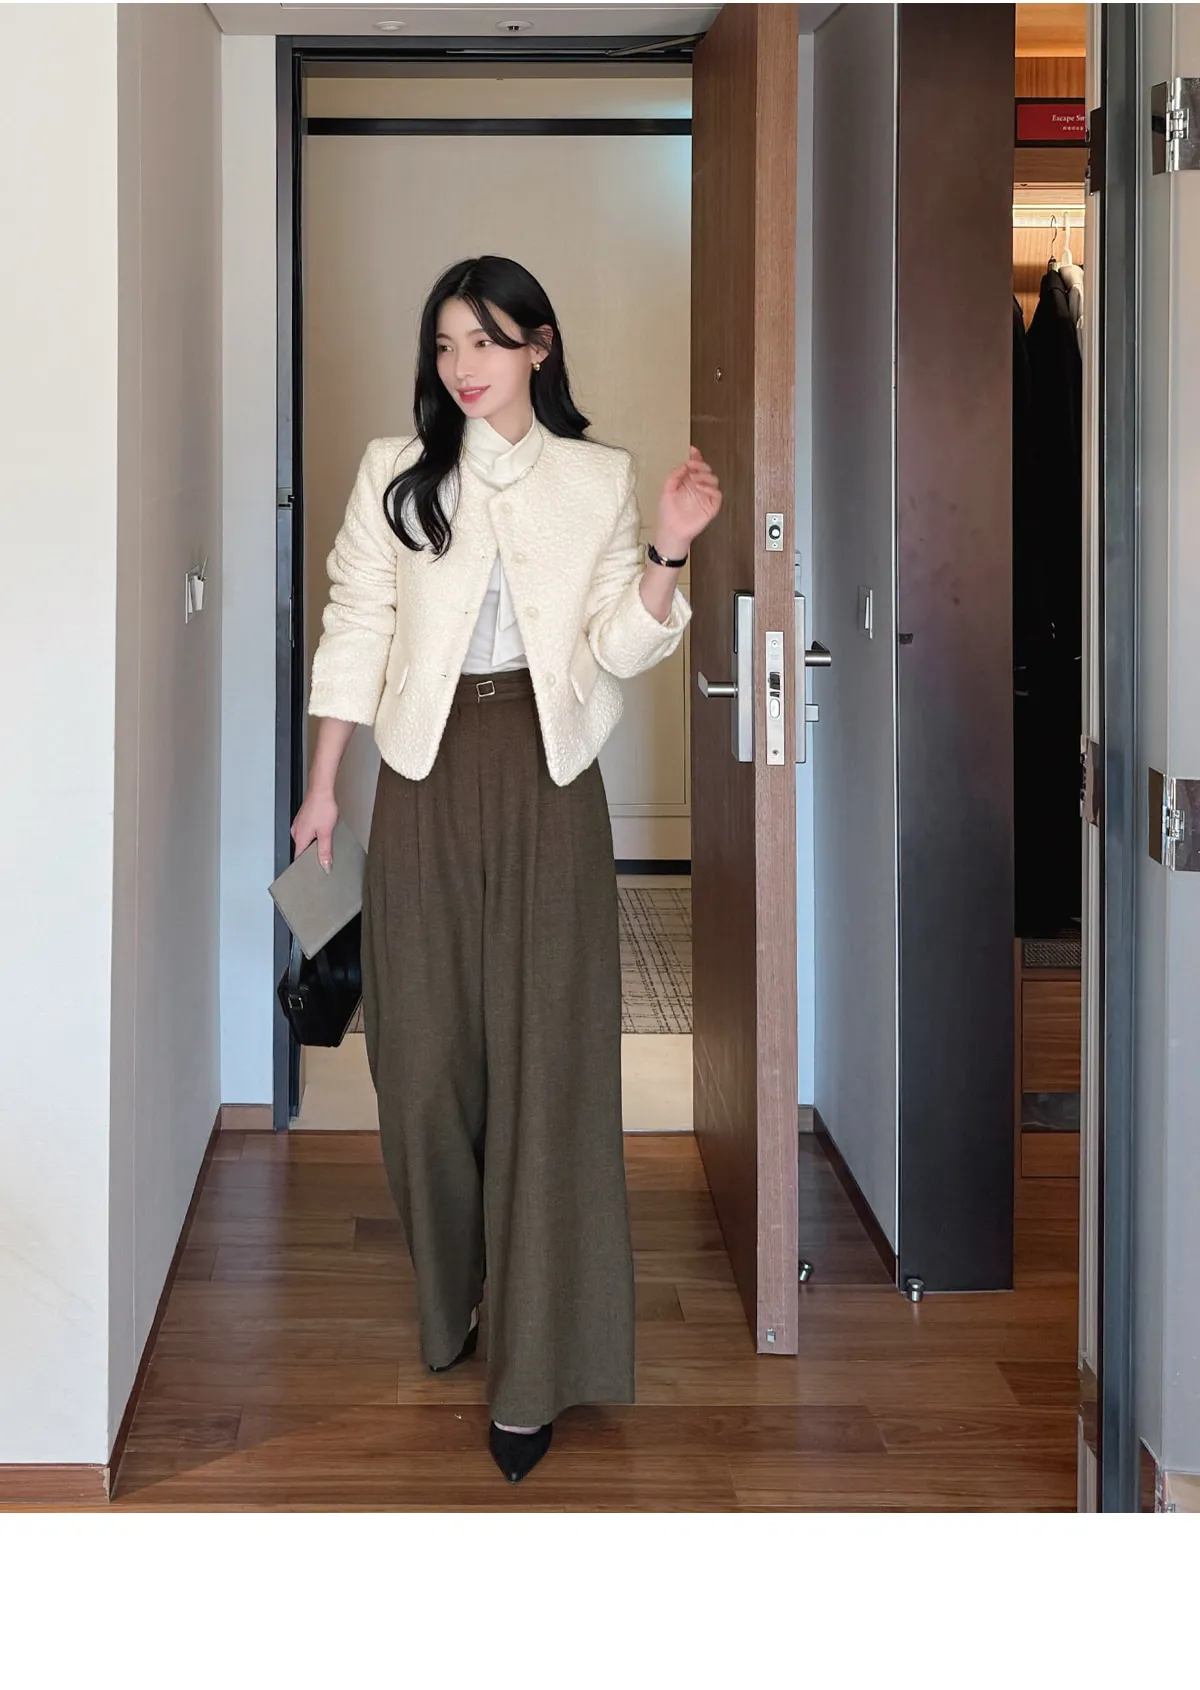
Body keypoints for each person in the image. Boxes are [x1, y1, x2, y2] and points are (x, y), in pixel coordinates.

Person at [292, 254, 722, 1483]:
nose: (462, 367)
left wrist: (669, 549)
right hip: (422, 779)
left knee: (549, 1062)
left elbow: (618, 647)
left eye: (484, 341)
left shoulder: (599, 477)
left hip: (548, 779)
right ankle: (458, 1294)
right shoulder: (396, 471)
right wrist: (324, 787)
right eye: (444, 345)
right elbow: (355, 624)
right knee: (420, 1062)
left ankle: (535, 1365)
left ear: (540, 345)